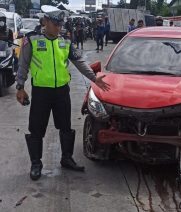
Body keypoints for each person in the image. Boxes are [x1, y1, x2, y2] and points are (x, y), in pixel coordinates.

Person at [15, 6, 110, 181]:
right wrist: (20, 87)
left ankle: (66, 158)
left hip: (61, 92)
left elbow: (79, 61)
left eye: (60, 24)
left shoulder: (65, 41)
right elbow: (23, 65)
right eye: (55, 24)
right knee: (36, 129)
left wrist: (94, 78)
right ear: (45, 22)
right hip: (41, 92)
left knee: (65, 126)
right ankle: (36, 163)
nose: (58, 28)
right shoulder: (31, 39)